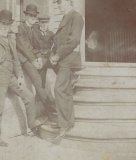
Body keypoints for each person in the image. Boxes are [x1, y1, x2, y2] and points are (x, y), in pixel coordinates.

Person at [0, 9, 48, 147]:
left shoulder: (11, 39)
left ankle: (31, 126)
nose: (6, 27)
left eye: (8, 24)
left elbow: (16, 61)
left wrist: (20, 76)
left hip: (12, 76)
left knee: (29, 97)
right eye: (3, 24)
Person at [50, 0, 84, 140]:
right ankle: (69, 122)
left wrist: (57, 55)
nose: (58, 6)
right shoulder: (66, 17)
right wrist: (53, 53)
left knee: (59, 89)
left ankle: (63, 125)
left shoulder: (76, 17)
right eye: (57, 4)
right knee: (66, 91)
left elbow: (73, 40)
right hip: (64, 59)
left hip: (68, 60)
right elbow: (59, 39)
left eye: (61, 3)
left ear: (70, 2)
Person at [16, 4, 55, 115]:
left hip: (30, 57)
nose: (33, 18)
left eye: (34, 16)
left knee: (41, 78)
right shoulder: (21, 28)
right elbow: (25, 47)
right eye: (30, 16)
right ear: (26, 16)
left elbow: (35, 47)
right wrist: (34, 60)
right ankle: (49, 106)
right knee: (37, 79)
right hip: (23, 58)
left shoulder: (32, 29)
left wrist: (38, 58)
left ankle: (45, 107)